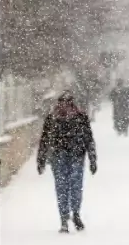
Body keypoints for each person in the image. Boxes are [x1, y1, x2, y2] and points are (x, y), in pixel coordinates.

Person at [37, 90, 97, 233]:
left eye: (67, 103)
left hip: (76, 155)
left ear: (72, 103)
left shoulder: (80, 117)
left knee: (74, 186)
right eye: (63, 103)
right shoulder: (52, 118)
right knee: (62, 187)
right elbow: (44, 140)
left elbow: (88, 138)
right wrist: (41, 159)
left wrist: (92, 158)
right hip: (59, 156)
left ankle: (75, 213)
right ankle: (64, 218)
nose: (65, 106)